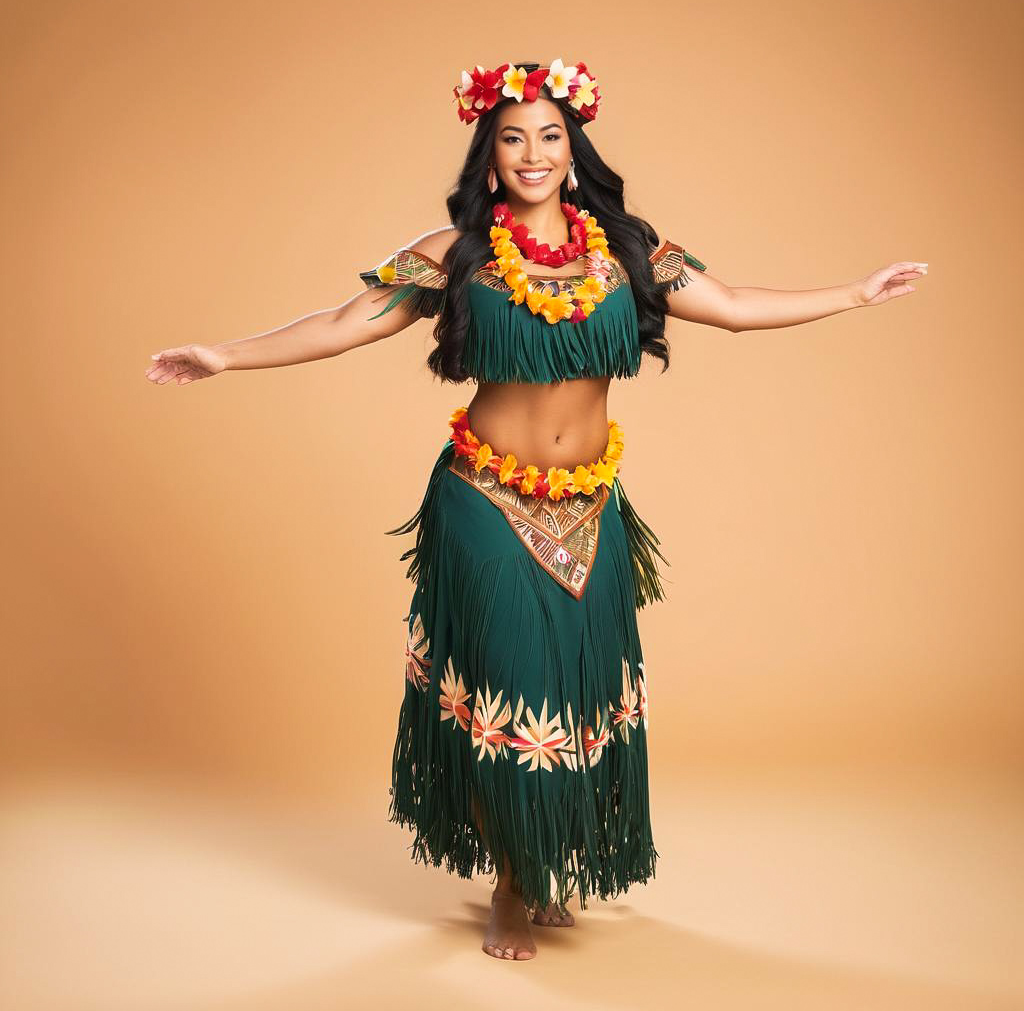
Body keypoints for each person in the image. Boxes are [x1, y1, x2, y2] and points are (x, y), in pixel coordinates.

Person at [144, 58, 927, 962]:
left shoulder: (627, 247)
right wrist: (225, 356)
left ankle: (545, 861)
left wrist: (855, 294)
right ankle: (513, 887)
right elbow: (343, 320)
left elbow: (738, 307)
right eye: (512, 137)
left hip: (592, 503)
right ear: (489, 156)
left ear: (573, 146)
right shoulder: (456, 254)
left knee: (580, 690)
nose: (532, 153)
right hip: (481, 499)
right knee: (513, 682)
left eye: (549, 135)